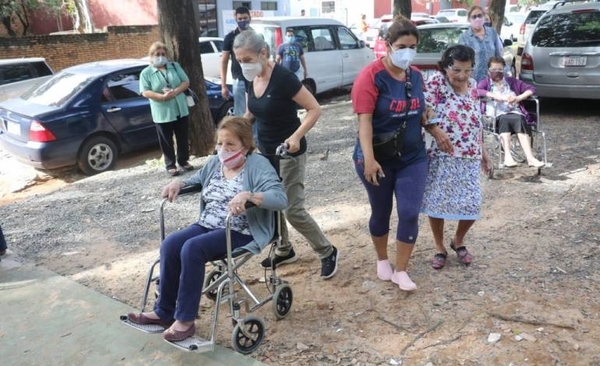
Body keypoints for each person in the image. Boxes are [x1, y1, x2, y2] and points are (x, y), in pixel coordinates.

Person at [127, 116, 287, 342]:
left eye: (230, 144)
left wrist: (249, 195)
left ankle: (185, 321)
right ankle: (164, 312)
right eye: (220, 143)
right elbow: (197, 179)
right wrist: (178, 183)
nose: (223, 149)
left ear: (246, 145)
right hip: (207, 224)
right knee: (171, 244)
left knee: (192, 248)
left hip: (240, 230)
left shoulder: (259, 165)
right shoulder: (215, 162)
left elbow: (280, 198)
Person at [233, 30, 339, 279]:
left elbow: (314, 109)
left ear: (263, 53)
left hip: (288, 152)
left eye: (246, 60)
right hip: (265, 152)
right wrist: (234, 135)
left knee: (292, 209)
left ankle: (327, 251)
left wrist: (296, 136)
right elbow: (251, 113)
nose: (243, 65)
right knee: (270, 203)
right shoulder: (251, 78)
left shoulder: (284, 78)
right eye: (239, 61)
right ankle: (284, 248)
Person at [351, 16, 433, 291]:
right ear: (388, 45)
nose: (407, 51)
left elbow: (420, 109)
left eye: (412, 46)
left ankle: (402, 270)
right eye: (401, 46)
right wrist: (369, 160)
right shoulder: (371, 77)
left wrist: (427, 114)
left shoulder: (417, 76)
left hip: (413, 156)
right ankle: (382, 258)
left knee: (409, 211)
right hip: (377, 157)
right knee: (382, 210)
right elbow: (365, 122)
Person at [422, 45, 492, 270]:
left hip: (470, 154)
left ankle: (458, 241)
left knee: (472, 204)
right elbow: (425, 111)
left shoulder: (472, 86)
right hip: (442, 155)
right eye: (457, 70)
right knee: (437, 204)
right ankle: (439, 247)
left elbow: (475, 122)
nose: (462, 76)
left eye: (467, 70)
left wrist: (483, 152)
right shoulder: (436, 82)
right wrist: (435, 130)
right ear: (445, 67)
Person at [477, 56, 544, 168]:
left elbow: (531, 89)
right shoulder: (485, 83)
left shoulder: (511, 82)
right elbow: (478, 91)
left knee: (519, 118)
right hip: (496, 115)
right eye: (494, 70)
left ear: (504, 70)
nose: (497, 72)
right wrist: (496, 96)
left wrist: (518, 98)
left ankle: (530, 158)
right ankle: (508, 156)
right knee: (505, 119)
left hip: (514, 112)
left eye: (499, 70)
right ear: (488, 71)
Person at [140, 41, 193, 177]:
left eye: (163, 54)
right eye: (157, 54)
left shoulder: (174, 66)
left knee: (182, 136)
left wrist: (175, 92)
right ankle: (170, 164)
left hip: (180, 108)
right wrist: (162, 96)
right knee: (166, 139)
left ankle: (183, 160)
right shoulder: (146, 73)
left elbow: (185, 81)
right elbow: (145, 91)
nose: (161, 56)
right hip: (162, 111)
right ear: (151, 56)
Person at [458, 5, 504, 82]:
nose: (477, 19)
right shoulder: (464, 37)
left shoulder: (492, 33)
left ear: (484, 16)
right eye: (474, 17)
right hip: (472, 81)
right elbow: (461, 61)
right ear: (469, 19)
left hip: (492, 80)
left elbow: (498, 55)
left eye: (479, 15)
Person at [221, 6, 252, 116]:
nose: (243, 21)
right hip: (239, 79)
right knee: (241, 114)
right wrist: (223, 85)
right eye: (240, 19)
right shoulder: (230, 37)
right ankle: (243, 134)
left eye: (245, 18)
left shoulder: (256, 35)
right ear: (236, 19)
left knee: (256, 111)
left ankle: (256, 134)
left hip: (255, 78)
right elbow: (224, 61)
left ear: (250, 17)